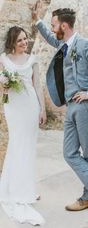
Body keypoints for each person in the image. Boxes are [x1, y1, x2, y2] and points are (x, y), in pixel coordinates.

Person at [32, 1, 88, 220]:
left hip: (85, 106)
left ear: (64, 26)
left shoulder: (84, 44)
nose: (52, 28)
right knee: (69, 153)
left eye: (54, 24)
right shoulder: (63, 44)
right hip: (70, 106)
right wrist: (37, 20)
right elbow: (49, 37)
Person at [0, 26, 46, 225]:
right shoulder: (3, 59)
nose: (24, 43)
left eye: (25, 39)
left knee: (27, 148)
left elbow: (37, 85)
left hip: (30, 106)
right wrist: (4, 85)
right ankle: (14, 188)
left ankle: (26, 189)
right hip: (13, 107)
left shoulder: (33, 59)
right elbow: (1, 87)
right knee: (16, 144)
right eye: (20, 40)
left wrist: (42, 109)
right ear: (12, 41)